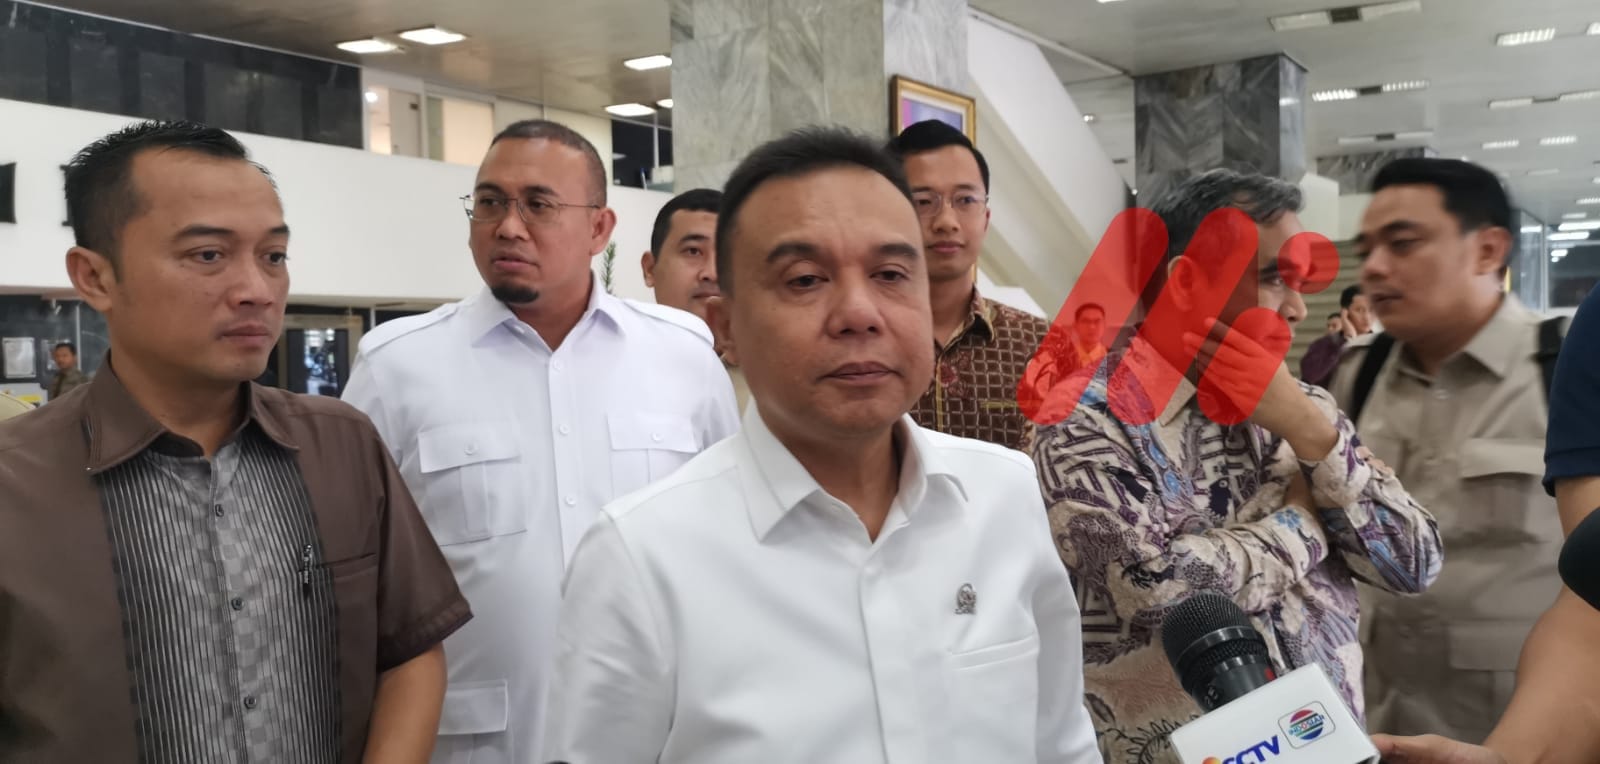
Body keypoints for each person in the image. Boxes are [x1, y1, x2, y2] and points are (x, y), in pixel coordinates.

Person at [540, 127, 1102, 764]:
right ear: (727, 325)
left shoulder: (1002, 495)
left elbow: (1062, 743)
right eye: (805, 280)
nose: (859, 313)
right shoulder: (640, 557)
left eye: (891, 274)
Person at [0, 120, 469, 762]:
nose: (256, 290)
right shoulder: (16, 486)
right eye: (208, 255)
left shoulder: (342, 446)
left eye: (273, 256)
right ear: (95, 277)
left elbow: (410, 649)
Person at [342, 119, 739, 763]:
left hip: (657, 738)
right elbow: (354, 580)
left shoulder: (682, 356)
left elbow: (732, 542)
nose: (508, 226)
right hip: (476, 743)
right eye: (490, 201)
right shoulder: (397, 367)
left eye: (538, 204)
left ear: (600, 229)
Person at [1030, 169, 1442, 764]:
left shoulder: (1304, 406)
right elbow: (1160, 593)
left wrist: (1309, 432)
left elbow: (1414, 563)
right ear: (1187, 282)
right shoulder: (1085, 417)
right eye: (1274, 279)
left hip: (1329, 745)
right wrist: (1304, 521)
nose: (1297, 307)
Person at [1331, 158, 1564, 743]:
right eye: (1368, 249)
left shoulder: (1564, 371)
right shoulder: (1357, 376)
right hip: (1375, 721)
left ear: (1487, 250)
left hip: (1519, 735)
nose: (1374, 267)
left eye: (1403, 243)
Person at [886, 119, 1050, 452]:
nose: (946, 222)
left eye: (965, 200)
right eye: (923, 202)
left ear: (985, 219)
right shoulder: (865, 336)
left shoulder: (1041, 344)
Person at [642, 187, 750, 410]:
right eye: (693, 251)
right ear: (650, 269)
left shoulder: (773, 383)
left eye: (726, 255)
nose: (712, 272)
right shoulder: (616, 369)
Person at [1299, 285, 1371, 388]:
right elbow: (1310, 377)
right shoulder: (1324, 345)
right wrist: (1348, 341)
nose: (1367, 317)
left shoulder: (1381, 344)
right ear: (1345, 313)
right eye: (1359, 310)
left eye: (1372, 310)